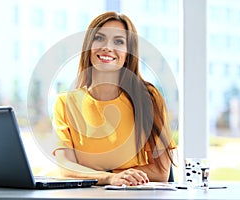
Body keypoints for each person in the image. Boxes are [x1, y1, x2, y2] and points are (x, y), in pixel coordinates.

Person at [52, 11, 176, 186]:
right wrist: (110, 178)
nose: (107, 47)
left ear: (128, 53)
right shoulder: (65, 103)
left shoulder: (149, 98)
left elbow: (161, 172)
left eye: (118, 41)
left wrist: (105, 176)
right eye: (99, 38)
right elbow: (66, 167)